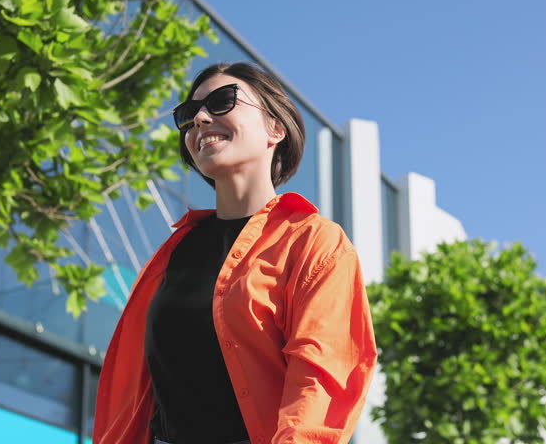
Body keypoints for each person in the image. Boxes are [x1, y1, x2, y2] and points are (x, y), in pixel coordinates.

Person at [92, 62, 378, 444]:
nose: (200, 119)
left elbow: (320, 379)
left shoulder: (313, 242)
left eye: (221, 101)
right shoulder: (170, 257)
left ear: (275, 129)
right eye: (188, 115)